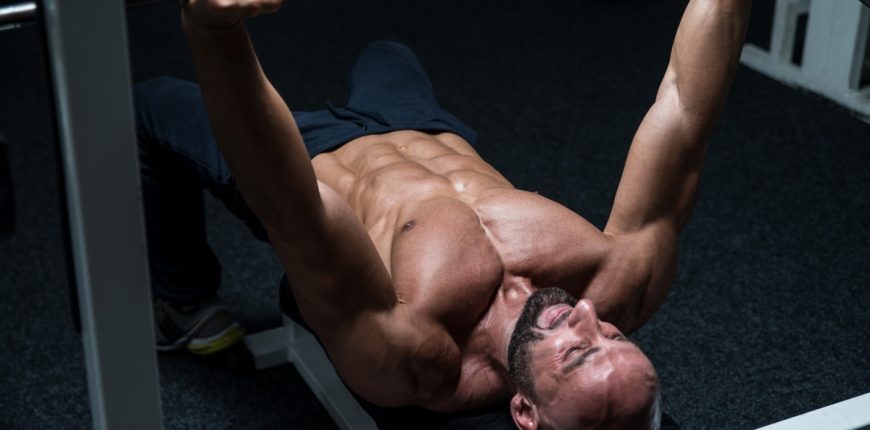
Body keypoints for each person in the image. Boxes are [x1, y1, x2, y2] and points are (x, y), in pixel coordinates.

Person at [136, 0, 751, 427]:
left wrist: (212, 34)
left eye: (578, 350)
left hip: (302, 152)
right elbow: (685, 110)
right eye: (614, 335)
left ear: (525, 413)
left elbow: (290, 204)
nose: (588, 313)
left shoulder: (415, 357)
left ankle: (183, 304)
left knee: (139, 109)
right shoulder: (620, 280)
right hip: (429, 129)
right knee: (386, 48)